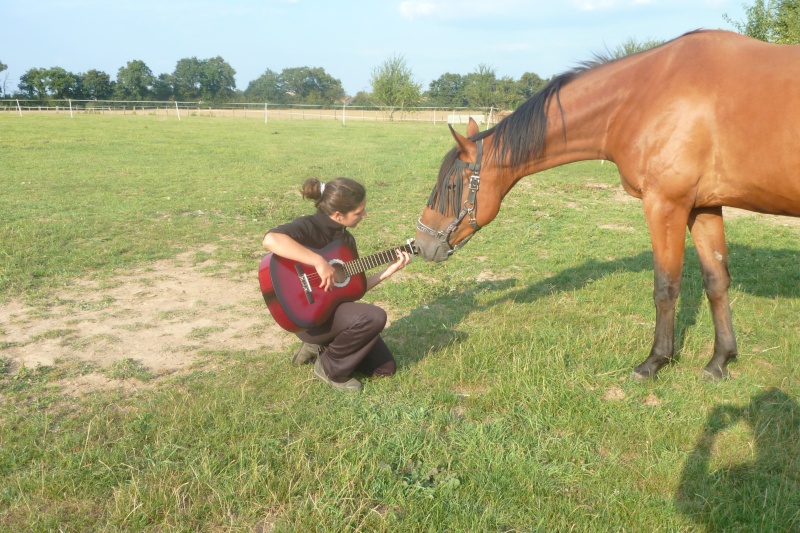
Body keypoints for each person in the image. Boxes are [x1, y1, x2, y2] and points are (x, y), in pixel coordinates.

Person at [262, 177, 413, 392]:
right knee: (375, 316)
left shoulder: (346, 240)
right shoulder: (309, 226)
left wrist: (388, 271)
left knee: (385, 369)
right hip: (307, 319)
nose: (364, 215)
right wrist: (317, 261)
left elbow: (354, 289)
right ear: (338, 215)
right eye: (359, 212)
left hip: (329, 314)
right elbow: (271, 240)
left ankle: (321, 347)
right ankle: (329, 367)